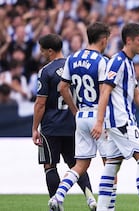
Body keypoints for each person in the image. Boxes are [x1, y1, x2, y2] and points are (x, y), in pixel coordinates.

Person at [91, 23, 139, 211]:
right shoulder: (117, 62)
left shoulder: (129, 63)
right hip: (121, 122)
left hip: (119, 122)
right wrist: (99, 122)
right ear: (129, 41)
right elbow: (105, 92)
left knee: (111, 166)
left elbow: (137, 95)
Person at [47, 22, 115, 211]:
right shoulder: (102, 61)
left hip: (82, 115)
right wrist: (101, 121)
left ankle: (58, 196)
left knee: (80, 165)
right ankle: (107, 207)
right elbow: (104, 93)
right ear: (104, 39)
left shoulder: (72, 58)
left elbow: (62, 87)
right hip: (98, 116)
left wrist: (75, 110)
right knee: (110, 164)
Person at [31, 34, 96, 210]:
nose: (41, 53)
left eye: (42, 50)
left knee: (49, 165)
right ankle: (90, 197)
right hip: (74, 125)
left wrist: (35, 128)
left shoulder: (46, 71)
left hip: (51, 127)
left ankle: (56, 202)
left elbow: (40, 103)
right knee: (77, 165)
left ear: (50, 51)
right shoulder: (73, 67)